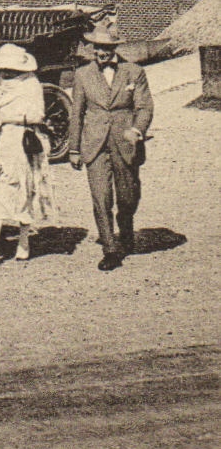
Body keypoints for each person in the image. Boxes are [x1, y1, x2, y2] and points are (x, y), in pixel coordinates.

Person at [67, 21, 154, 271]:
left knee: (127, 196)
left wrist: (137, 130)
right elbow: (77, 113)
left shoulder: (133, 72)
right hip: (94, 144)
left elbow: (144, 106)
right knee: (101, 197)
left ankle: (125, 226)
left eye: (106, 47)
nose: (101, 52)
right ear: (92, 48)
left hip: (125, 142)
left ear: (114, 47)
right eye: (97, 48)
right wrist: (74, 149)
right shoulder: (83, 75)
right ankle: (110, 249)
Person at [0, 44, 55, 266]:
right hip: (0, 144)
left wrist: (8, 117)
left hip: (22, 143)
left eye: (9, 69)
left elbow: (38, 115)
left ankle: (24, 241)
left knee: (24, 190)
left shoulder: (31, 85)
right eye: (1, 69)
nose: (5, 73)